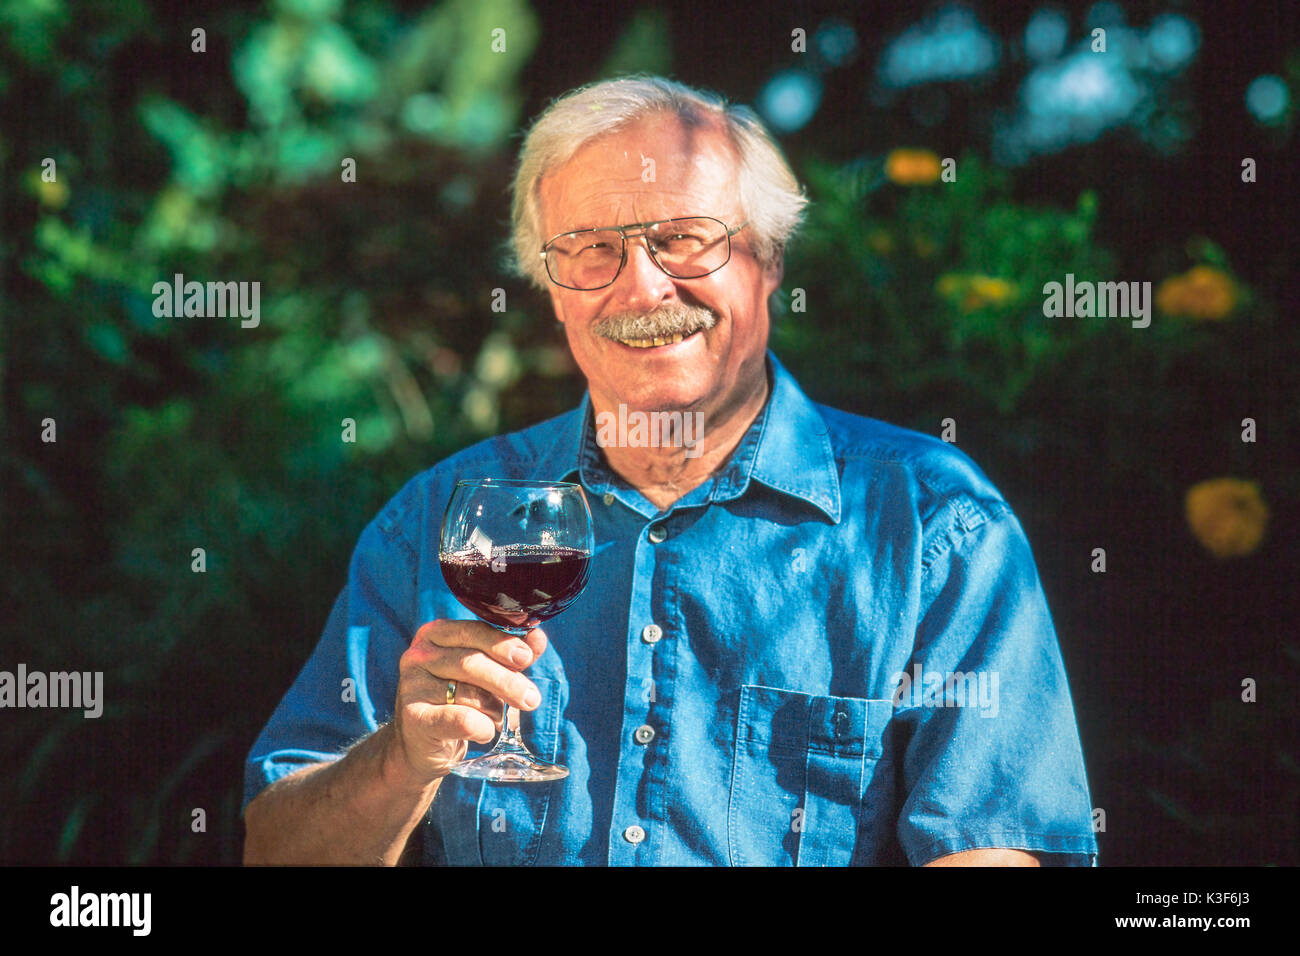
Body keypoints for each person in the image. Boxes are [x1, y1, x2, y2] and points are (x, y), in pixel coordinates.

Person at [242, 75, 1098, 866]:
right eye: (587, 249)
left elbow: (992, 850)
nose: (641, 287)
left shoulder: (932, 521)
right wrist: (399, 760)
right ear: (550, 286)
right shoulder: (439, 520)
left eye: (683, 239)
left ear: (769, 263)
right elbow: (275, 852)